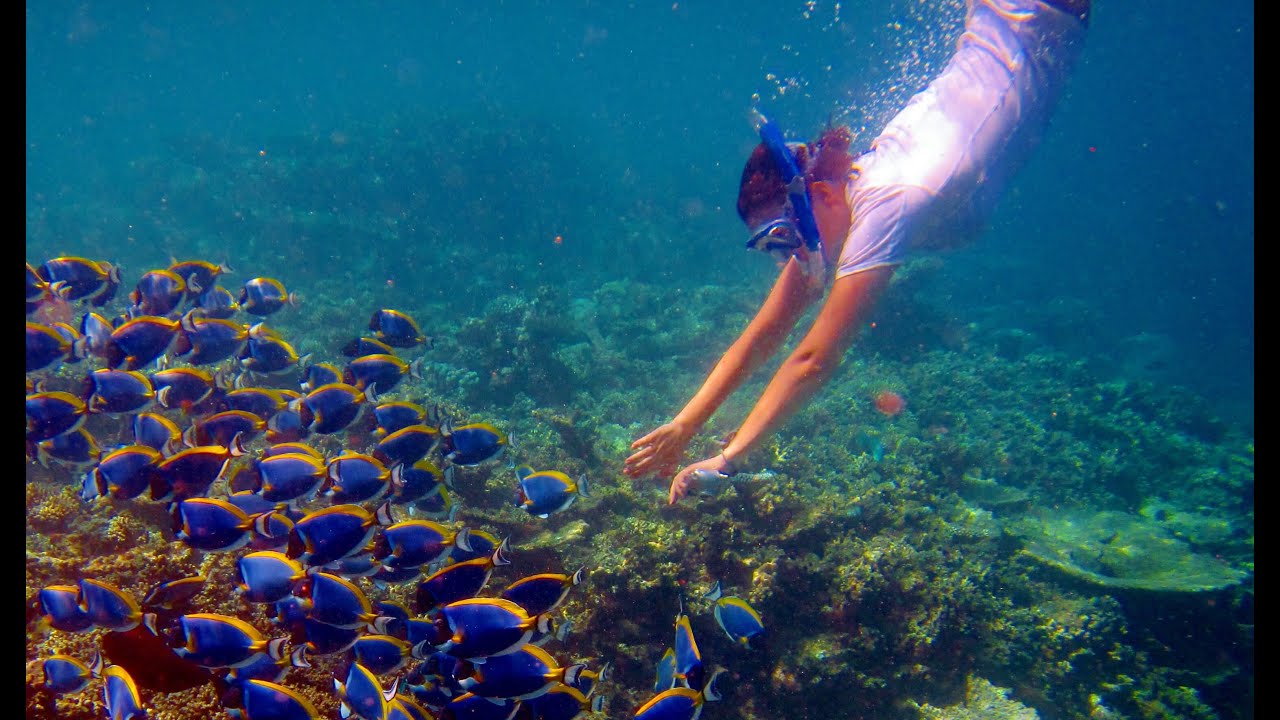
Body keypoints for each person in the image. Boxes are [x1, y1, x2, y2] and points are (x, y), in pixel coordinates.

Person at [623, 0, 1091, 504]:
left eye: (786, 236)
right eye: (774, 247)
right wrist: (684, 426)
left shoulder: (886, 202)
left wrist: (728, 459)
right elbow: (765, 332)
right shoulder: (837, 201)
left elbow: (814, 358)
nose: (790, 258)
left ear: (819, 198)